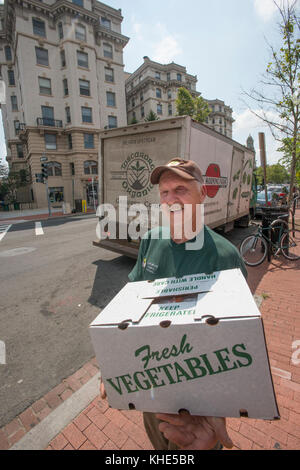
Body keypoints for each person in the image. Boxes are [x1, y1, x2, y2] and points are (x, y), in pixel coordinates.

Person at [100, 158, 248, 450]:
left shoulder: (225, 255)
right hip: (152, 383)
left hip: (202, 400)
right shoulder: (151, 241)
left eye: (180, 189)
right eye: (164, 193)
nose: (171, 199)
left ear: (202, 194)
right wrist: (112, 360)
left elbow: (240, 335)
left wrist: (222, 402)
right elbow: (132, 306)